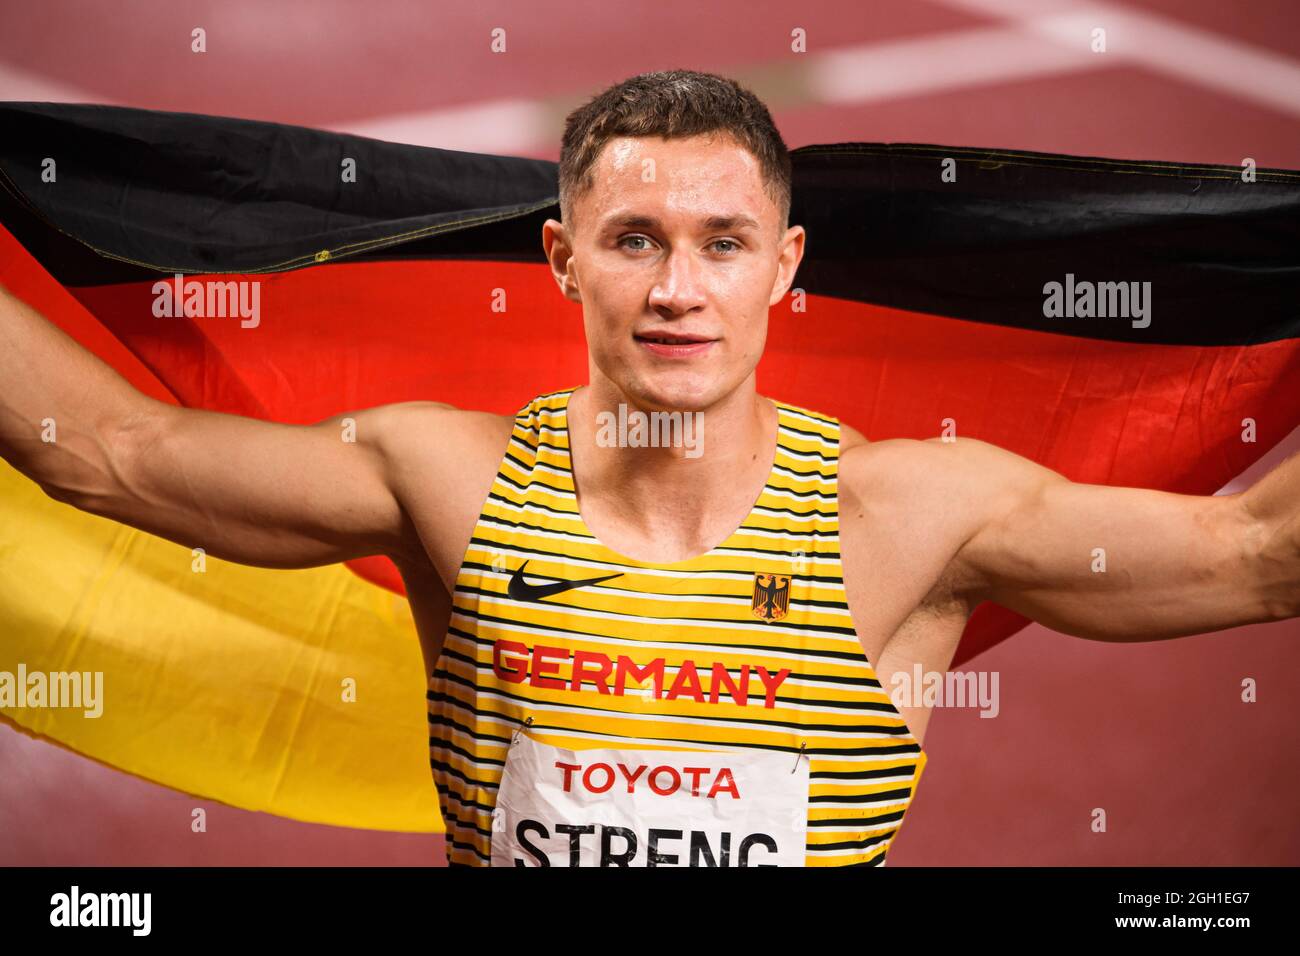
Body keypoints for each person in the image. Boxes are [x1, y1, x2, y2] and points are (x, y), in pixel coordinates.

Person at [1, 69, 1296, 867]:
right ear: (561, 261)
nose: (680, 290)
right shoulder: (447, 481)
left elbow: (1261, 555)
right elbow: (116, 454)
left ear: (786, 269)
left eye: (724, 243)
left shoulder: (915, 518)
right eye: (635, 239)